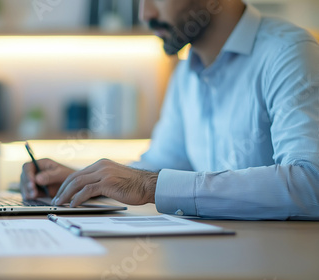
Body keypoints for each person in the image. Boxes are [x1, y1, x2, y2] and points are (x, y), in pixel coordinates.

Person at [20, 0, 319, 220]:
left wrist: (150, 186)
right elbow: (162, 164)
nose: (145, 14)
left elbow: (311, 184)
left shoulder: (288, 53)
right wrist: (87, 181)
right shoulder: (185, 74)